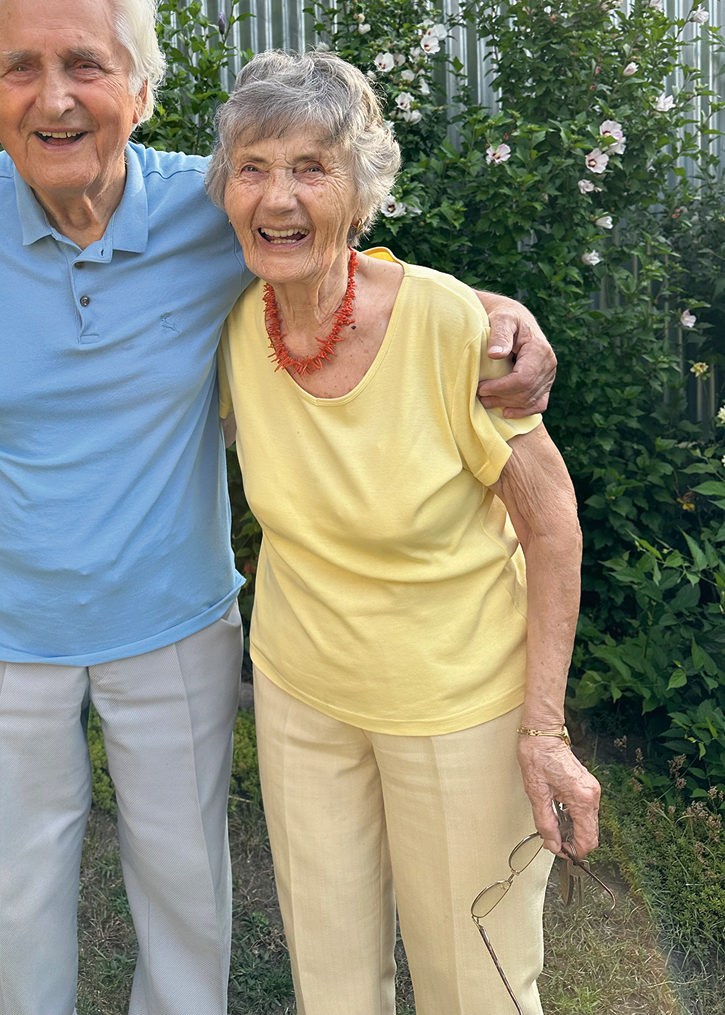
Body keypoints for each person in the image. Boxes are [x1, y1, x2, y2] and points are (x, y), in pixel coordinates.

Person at [0, 0, 558, 1015]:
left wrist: (493, 311)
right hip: (0, 620)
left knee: (185, 891)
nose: (55, 98)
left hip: (172, 620)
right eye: (20, 68)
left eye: (86, 63)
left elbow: (332, 249)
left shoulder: (210, 206)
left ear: (141, 90)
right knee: (10, 893)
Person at [206, 50, 600, 1015]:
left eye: (311, 167)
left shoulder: (452, 328)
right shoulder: (234, 327)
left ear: (362, 191)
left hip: (455, 705)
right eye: (253, 168)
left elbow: (552, 526)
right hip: (301, 696)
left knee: (477, 979)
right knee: (331, 975)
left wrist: (544, 729)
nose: (277, 197)